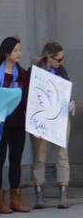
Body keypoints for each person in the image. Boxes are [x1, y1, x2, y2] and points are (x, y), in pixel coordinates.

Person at [0, 37, 30, 214]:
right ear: (6, 53)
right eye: (16, 51)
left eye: (20, 50)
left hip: (18, 123)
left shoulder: (24, 74)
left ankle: (15, 199)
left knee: (16, 161)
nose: (19, 53)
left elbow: (30, 99)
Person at [29, 42, 75, 209]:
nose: (61, 62)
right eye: (59, 59)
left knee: (62, 154)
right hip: (41, 119)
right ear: (48, 57)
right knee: (39, 156)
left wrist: (72, 102)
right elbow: (30, 98)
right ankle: (39, 192)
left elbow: (68, 92)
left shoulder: (61, 70)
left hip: (60, 118)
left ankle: (63, 192)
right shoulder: (35, 71)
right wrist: (34, 124)